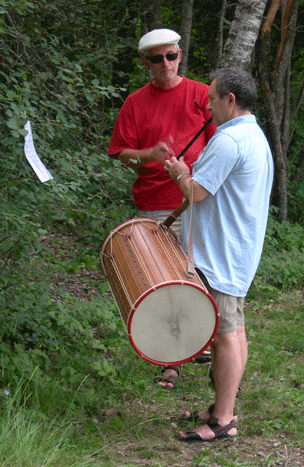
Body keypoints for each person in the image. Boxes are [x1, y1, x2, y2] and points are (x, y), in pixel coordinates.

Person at [164, 67, 273, 441]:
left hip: (222, 253)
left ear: (230, 100)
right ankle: (220, 407)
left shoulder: (229, 141)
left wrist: (179, 172)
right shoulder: (254, 135)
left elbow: (196, 192)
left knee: (225, 335)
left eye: (211, 99)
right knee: (235, 329)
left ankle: (223, 421)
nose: (207, 106)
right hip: (236, 250)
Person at [107, 28, 216, 389]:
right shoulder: (136, 103)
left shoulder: (203, 95)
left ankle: (209, 346)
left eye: (171, 56)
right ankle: (171, 361)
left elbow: (224, 145)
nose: (165, 64)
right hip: (153, 204)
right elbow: (120, 154)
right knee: (163, 282)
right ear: (146, 63)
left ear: (180, 55)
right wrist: (148, 154)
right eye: (157, 59)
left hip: (197, 200)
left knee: (201, 276)